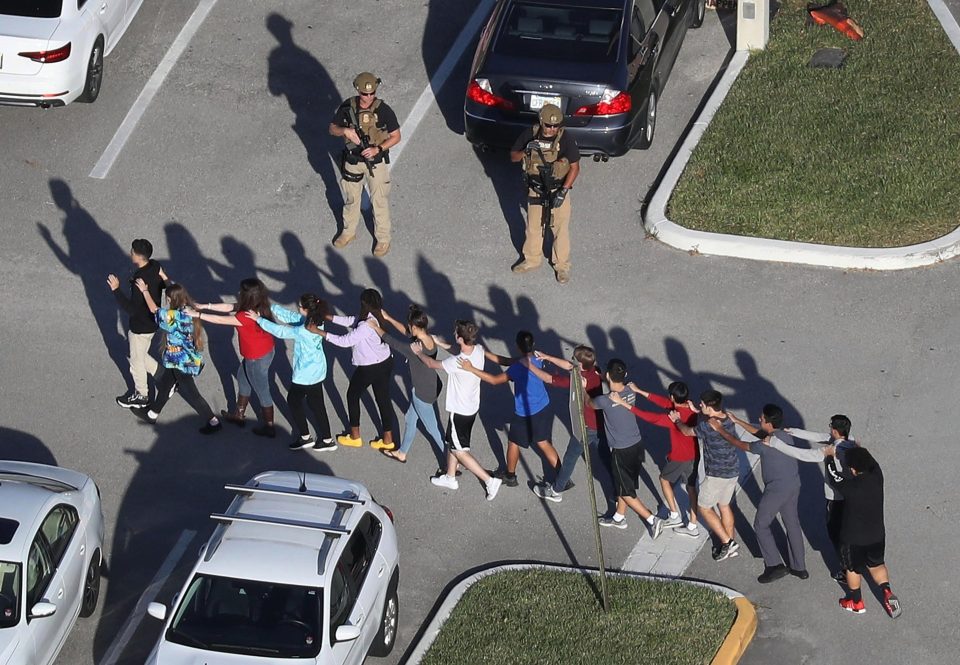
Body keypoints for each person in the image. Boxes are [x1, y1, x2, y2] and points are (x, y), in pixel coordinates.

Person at [710, 405, 811, 583]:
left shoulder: (764, 445)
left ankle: (774, 565)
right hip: (794, 484)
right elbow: (760, 433)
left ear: (769, 423)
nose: (759, 419)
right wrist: (737, 421)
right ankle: (799, 567)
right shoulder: (785, 436)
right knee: (792, 523)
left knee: (761, 524)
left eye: (762, 419)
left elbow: (740, 444)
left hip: (776, 489)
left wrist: (719, 429)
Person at [459, 331, 561, 489]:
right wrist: (483, 352)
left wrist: (471, 368)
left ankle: (510, 476)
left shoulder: (518, 367)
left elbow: (494, 380)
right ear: (532, 344)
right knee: (543, 443)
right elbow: (506, 361)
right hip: (542, 406)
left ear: (517, 346)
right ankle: (562, 477)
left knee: (513, 442)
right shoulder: (537, 356)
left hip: (524, 413)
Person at [415, 320, 502, 501]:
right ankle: (450, 477)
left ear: (461, 338)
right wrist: (440, 342)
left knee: (460, 450)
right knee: (453, 443)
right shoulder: (477, 349)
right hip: (470, 407)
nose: (454, 336)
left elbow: (432, 364)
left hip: (459, 410)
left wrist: (419, 353)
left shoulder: (456, 362)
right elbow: (457, 350)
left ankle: (489, 480)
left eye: (456, 334)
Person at [610, 381, 700, 537]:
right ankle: (693, 525)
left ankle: (674, 515)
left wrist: (622, 403)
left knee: (664, 479)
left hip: (679, 457)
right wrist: (639, 389)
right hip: (694, 454)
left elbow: (648, 417)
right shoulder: (690, 408)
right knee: (691, 488)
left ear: (672, 396)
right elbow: (664, 402)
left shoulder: (673, 417)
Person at [245, 294, 335, 452]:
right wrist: (271, 308)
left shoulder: (303, 329)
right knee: (317, 405)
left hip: (305, 375)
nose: (298, 308)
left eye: (300, 306)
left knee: (293, 401)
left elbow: (280, 331)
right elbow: (292, 317)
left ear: (306, 310)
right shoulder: (316, 321)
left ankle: (305, 436)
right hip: (318, 370)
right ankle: (327, 439)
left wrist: (258, 319)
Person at [131, 280, 221, 434]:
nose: (166, 300)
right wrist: (164, 276)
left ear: (172, 299)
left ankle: (213, 421)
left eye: (168, 298)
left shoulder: (173, 316)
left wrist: (145, 291)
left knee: (193, 395)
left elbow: (154, 310)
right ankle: (152, 414)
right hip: (184, 359)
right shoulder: (188, 310)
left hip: (179, 363)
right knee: (166, 386)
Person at [329, 72, 401, 257]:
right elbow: (332, 128)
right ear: (357, 91)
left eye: (372, 93)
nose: (368, 97)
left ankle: (383, 240)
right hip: (353, 161)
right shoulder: (348, 107)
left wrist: (378, 149)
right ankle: (348, 232)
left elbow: (396, 136)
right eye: (364, 94)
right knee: (352, 198)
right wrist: (345, 130)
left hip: (375, 163)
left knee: (379, 201)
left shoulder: (384, 110)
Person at [194, 279, 278, 437]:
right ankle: (239, 415)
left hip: (256, 357)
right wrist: (206, 306)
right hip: (263, 351)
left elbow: (221, 320)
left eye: (241, 291)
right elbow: (229, 307)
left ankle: (269, 426)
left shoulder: (245, 316)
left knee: (262, 390)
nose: (239, 293)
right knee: (242, 378)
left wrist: (197, 314)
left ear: (247, 296)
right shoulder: (258, 305)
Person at [588, 360, 663, 538]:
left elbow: (590, 403)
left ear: (607, 375)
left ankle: (652, 519)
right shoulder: (630, 391)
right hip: (636, 445)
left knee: (625, 490)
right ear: (626, 375)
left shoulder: (604, 400)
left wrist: (584, 387)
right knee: (625, 484)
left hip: (621, 450)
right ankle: (619, 517)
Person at [510, 103, 581, 284]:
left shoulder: (565, 139)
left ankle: (562, 266)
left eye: (555, 125)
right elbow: (513, 157)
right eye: (548, 125)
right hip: (536, 189)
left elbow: (574, 167)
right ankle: (532, 259)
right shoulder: (530, 134)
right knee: (534, 226)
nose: (551, 129)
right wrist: (527, 149)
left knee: (560, 228)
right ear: (541, 122)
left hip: (557, 189)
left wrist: (563, 191)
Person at [782, 416, 859, 582]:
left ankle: (846, 570)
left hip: (835, 499)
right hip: (852, 497)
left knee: (836, 535)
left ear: (835, 431)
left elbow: (802, 454)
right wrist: (794, 432)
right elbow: (820, 437)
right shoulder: (851, 442)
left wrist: (776, 444)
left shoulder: (830, 452)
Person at [827, 447, 901, 618]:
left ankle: (856, 601)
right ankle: (886, 590)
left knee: (852, 569)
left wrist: (829, 458)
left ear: (852, 469)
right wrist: (858, 449)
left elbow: (834, 477)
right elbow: (871, 461)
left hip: (853, 539)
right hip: (876, 535)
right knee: (877, 565)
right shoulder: (877, 476)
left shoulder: (849, 486)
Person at [318, 289, 395, 449]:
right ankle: (388, 440)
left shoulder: (365, 325)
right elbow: (352, 321)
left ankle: (355, 436)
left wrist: (320, 332)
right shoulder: (376, 316)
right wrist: (329, 317)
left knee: (352, 395)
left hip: (369, 367)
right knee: (383, 399)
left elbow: (345, 341)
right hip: (385, 361)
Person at [671, 390, 741, 561]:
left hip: (716, 474)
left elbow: (687, 431)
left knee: (704, 507)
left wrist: (677, 420)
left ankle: (727, 543)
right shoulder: (727, 417)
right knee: (724, 506)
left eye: (702, 404)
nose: (699, 405)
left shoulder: (707, 426)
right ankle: (729, 542)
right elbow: (708, 419)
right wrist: (698, 411)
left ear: (710, 407)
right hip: (732, 470)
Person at [528, 346, 603, 502]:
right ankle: (620, 493)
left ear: (581, 364)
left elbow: (549, 379)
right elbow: (570, 366)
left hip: (585, 427)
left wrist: (529, 365)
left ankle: (556, 491)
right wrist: (547, 357)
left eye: (574, 358)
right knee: (607, 457)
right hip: (600, 422)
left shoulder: (578, 380)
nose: (571, 360)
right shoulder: (594, 370)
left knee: (570, 458)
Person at [374, 306, 446, 466]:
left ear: (414, 327)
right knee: (410, 419)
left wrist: (375, 327)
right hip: (431, 386)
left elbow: (392, 342)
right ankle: (402, 453)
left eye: (409, 326)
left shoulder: (414, 348)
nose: (408, 329)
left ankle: (451, 462)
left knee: (433, 429)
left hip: (422, 393)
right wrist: (388, 318)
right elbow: (406, 332)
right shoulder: (429, 339)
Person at [108, 238, 167, 408]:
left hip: (140, 326)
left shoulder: (139, 280)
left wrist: (116, 289)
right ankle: (165, 378)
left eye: (132, 252)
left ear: (139, 257)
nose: (130, 254)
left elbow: (131, 308)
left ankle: (142, 395)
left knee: (136, 362)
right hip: (152, 322)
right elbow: (164, 283)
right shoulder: (155, 265)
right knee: (140, 354)